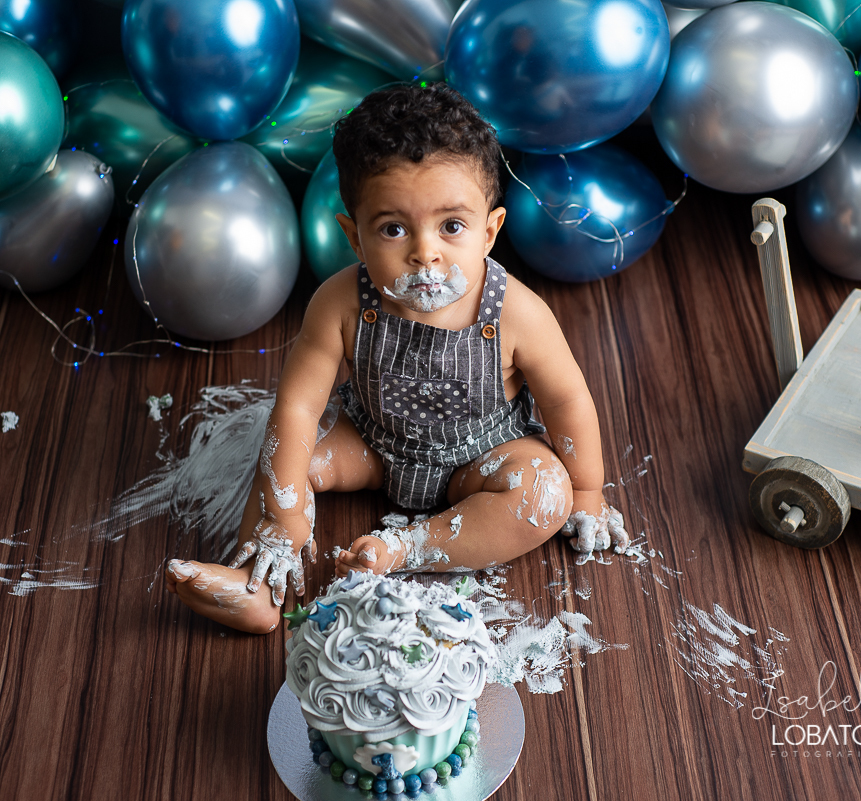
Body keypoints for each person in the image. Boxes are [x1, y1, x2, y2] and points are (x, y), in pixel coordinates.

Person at [164, 84, 627, 633]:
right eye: (393, 229)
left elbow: (566, 399)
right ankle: (260, 579)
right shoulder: (338, 303)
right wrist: (285, 511)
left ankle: (404, 549)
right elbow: (296, 408)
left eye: (452, 226)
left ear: (490, 231)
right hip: (372, 444)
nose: (424, 251)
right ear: (355, 239)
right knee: (286, 460)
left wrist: (589, 492)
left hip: (479, 458)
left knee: (544, 493)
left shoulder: (516, 313)